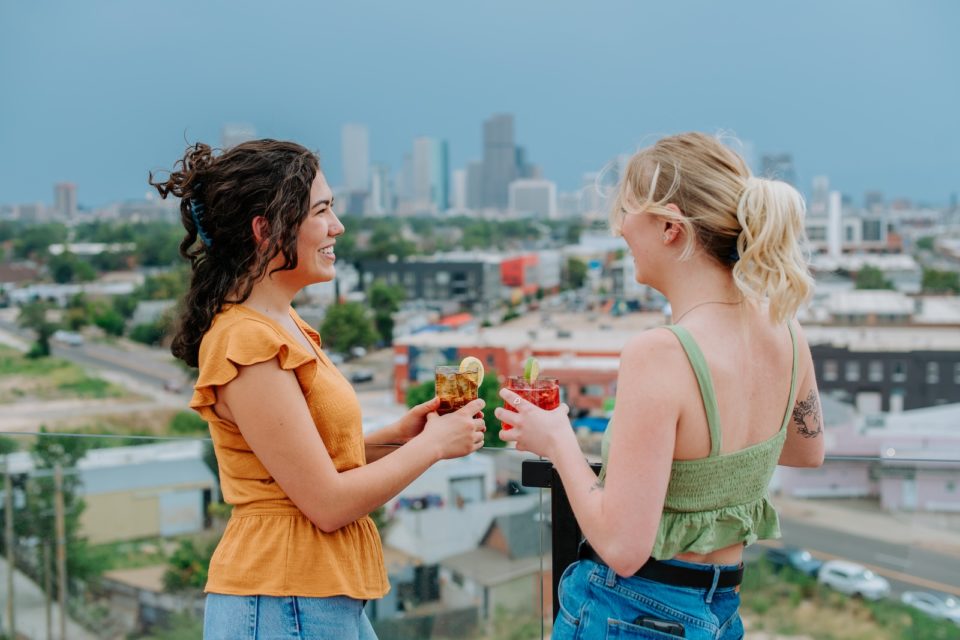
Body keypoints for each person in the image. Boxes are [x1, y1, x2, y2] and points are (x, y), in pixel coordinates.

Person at [150, 139, 486, 639]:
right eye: (322, 211)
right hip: (282, 598)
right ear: (265, 230)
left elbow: (305, 468)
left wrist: (406, 435)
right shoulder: (246, 341)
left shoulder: (281, 325)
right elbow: (327, 503)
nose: (338, 227)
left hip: (307, 596)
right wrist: (435, 448)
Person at [496, 132, 825, 639]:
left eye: (628, 211)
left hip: (629, 613)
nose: (621, 229)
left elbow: (623, 549)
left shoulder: (661, 354)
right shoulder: (785, 328)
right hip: (720, 610)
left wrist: (556, 438)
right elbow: (806, 450)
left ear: (670, 226)